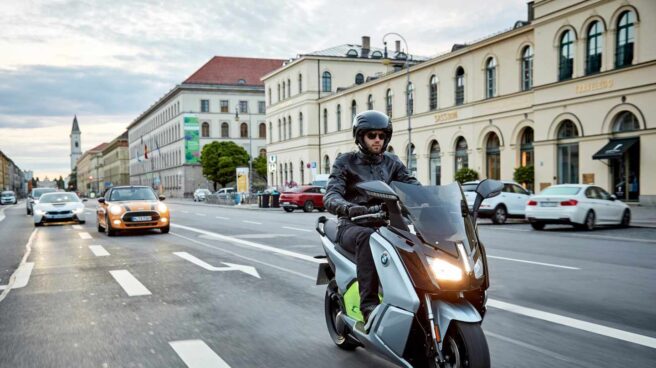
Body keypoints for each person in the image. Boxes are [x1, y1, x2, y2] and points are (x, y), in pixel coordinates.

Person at [324, 110, 420, 323]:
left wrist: (433, 202)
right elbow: (331, 195)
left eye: (382, 136)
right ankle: (369, 307)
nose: (377, 140)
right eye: (372, 135)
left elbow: (413, 187)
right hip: (353, 225)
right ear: (360, 137)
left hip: (388, 223)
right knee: (369, 239)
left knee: (417, 240)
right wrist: (349, 208)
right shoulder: (345, 162)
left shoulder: (392, 162)